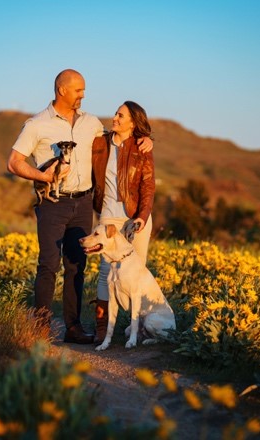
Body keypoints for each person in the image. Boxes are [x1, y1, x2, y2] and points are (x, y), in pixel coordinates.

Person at [7, 69, 152, 344]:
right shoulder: (36, 124)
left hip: (83, 202)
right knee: (48, 265)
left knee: (77, 265)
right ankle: (40, 329)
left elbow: (120, 137)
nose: (83, 95)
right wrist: (44, 176)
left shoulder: (91, 123)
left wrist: (145, 138)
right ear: (62, 90)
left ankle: (73, 328)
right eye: (78, 90)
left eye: (84, 90)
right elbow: (13, 162)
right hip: (52, 203)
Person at [90, 101, 156, 344]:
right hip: (108, 215)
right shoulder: (99, 143)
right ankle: (101, 327)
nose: (114, 118)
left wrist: (142, 215)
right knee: (106, 272)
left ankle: (136, 330)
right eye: (116, 113)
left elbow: (148, 186)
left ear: (132, 122)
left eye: (121, 115)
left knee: (136, 272)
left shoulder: (142, 148)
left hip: (135, 218)